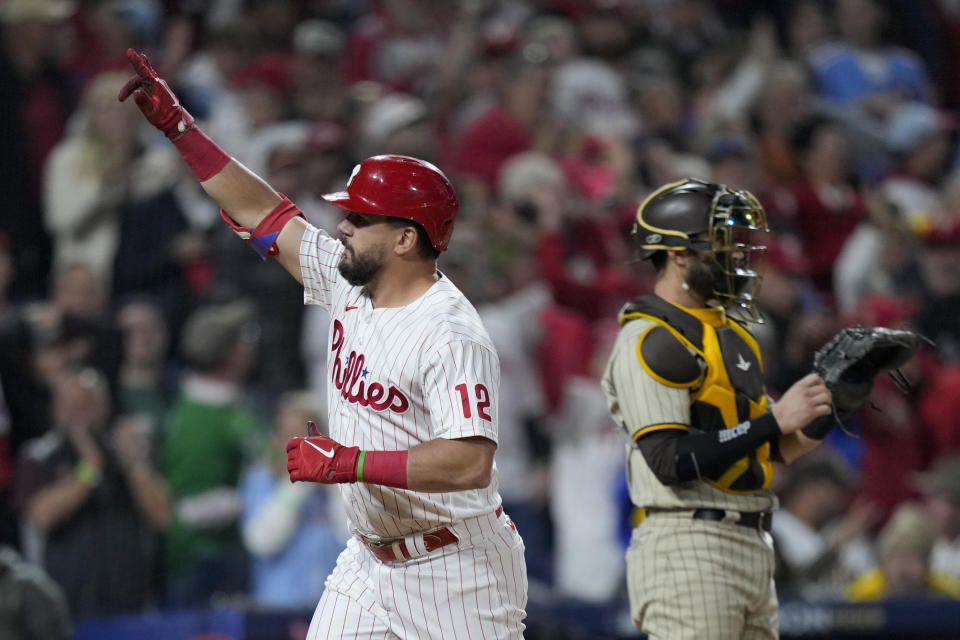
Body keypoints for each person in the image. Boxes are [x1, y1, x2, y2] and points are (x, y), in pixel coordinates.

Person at [119, 49, 526, 638]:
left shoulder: (450, 332)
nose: (343, 226)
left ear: (406, 239)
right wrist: (182, 131)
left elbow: (468, 461)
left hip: (457, 570)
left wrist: (350, 463)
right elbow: (262, 211)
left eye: (360, 218)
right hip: (367, 560)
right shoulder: (347, 278)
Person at [601, 178, 837, 639]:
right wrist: (773, 420)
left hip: (749, 540)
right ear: (678, 253)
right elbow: (670, 460)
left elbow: (776, 448)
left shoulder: (731, 335)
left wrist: (839, 397)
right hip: (688, 543)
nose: (736, 257)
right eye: (722, 244)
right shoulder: (650, 338)